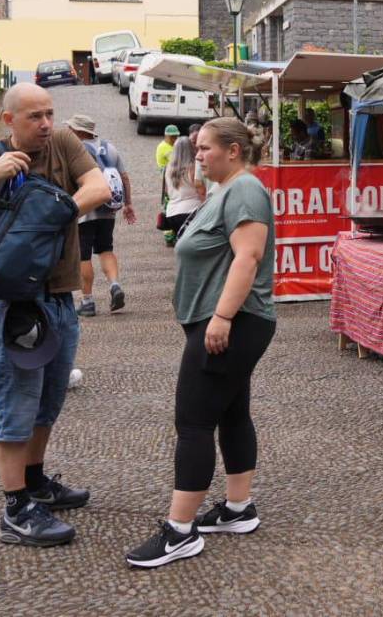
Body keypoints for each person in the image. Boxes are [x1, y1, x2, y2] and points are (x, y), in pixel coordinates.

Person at [0, 82, 110, 548]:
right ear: (10, 120)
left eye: (49, 113)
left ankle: (34, 482)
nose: (46, 123)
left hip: (61, 294)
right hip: (14, 299)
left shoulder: (64, 142)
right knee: (15, 400)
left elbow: (99, 186)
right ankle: (15, 508)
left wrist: (55, 212)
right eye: (35, 116)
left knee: (49, 397)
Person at [125, 117, 276, 569]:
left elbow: (249, 256)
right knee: (231, 412)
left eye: (206, 147)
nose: (198, 155)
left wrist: (223, 316)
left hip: (232, 321)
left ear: (234, 150)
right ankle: (238, 508)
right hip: (222, 320)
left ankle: (180, 531)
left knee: (192, 422)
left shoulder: (244, 190)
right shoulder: (226, 190)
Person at [65, 114, 136, 317]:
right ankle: (114, 284)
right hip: (108, 209)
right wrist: (128, 204)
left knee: (83, 254)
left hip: (85, 209)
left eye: (71, 129)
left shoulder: (77, 150)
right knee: (106, 248)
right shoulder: (109, 147)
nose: (68, 132)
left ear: (78, 131)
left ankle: (87, 301)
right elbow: (124, 177)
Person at [162, 133, 205, 241]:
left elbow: (166, 192)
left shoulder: (168, 169)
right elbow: (201, 191)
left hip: (172, 213)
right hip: (191, 212)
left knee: (181, 243)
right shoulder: (194, 167)